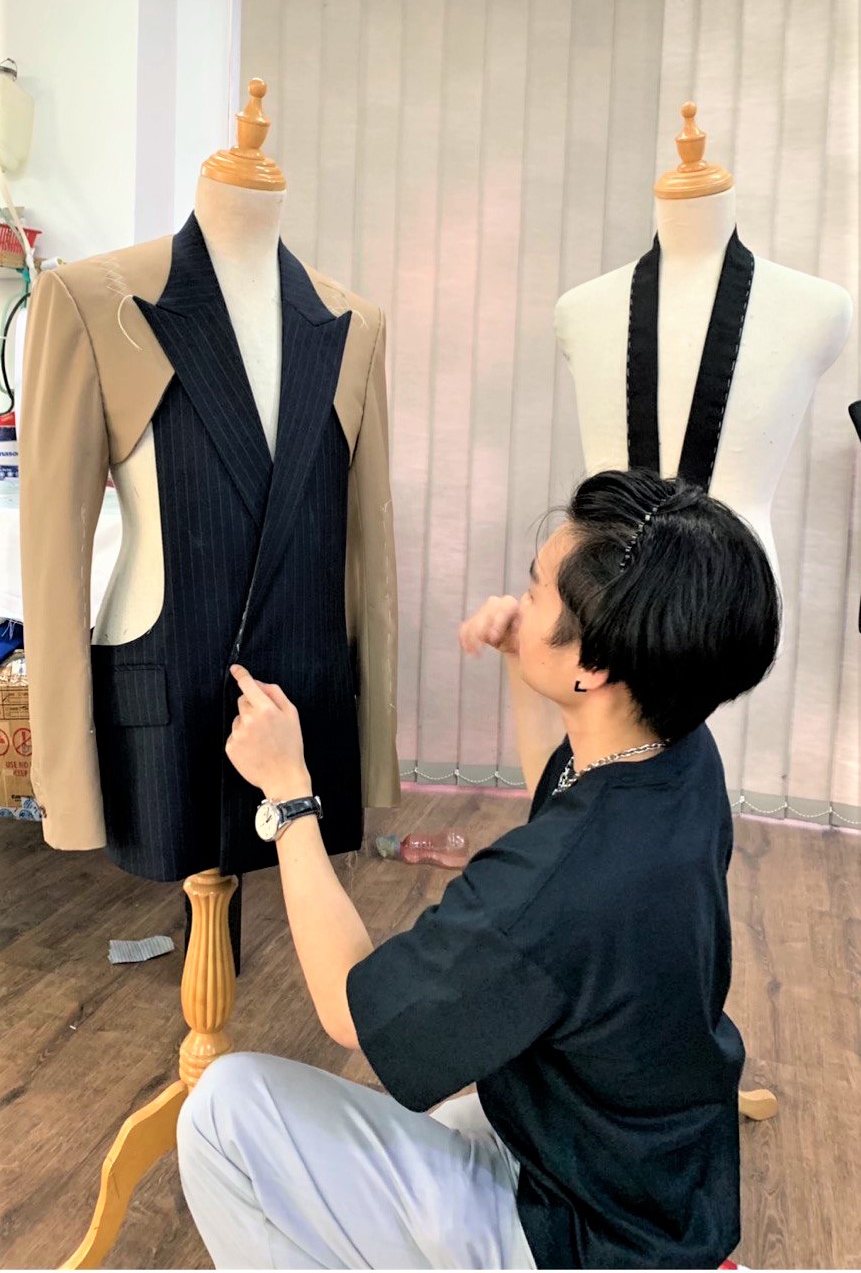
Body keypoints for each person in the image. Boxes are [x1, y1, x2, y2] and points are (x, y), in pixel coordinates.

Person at [177, 468, 781, 1270]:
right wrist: (522, 661)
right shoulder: (677, 755)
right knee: (449, 1109)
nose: (516, 601)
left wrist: (288, 795)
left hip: (579, 1233)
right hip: (645, 1173)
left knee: (224, 1109)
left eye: (535, 589)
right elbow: (563, 797)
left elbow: (351, 1013)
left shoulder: (548, 890)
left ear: (594, 664)